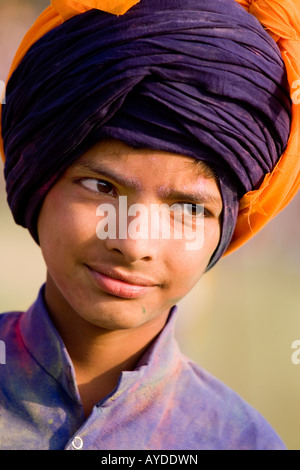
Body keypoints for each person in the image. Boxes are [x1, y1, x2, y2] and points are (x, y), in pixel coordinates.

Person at [0, 0, 299, 451]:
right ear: (39, 178)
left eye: (191, 209)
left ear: (226, 228)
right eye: (101, 186)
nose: (133, 242)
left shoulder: (242, 441)